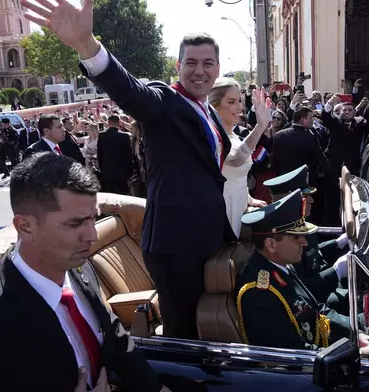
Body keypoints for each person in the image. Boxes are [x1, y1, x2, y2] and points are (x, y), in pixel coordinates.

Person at [21, 0, 234, 339]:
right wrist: (86, 45)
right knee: (184, 336)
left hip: (207, 237)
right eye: (191, 62)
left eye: (208, 63)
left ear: (218, 67)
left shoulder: (206, 111)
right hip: (175, 245)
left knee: (207, 325)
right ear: (178, 66)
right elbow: (131, 92)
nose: (199, 70)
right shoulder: (166, 101)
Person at [0, 153, 168, 392]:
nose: (93, 236)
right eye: (75, 224)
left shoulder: (77, 265)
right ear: (25, 227)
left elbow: (111, 331)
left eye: (93, 219)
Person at [236, 189, 362, 350]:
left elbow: (316, 312)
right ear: (271, 245)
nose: (304, 242)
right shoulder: (260, 292)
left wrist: (356, 332)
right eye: (296, 237)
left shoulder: (280, 265)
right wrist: (350, 351)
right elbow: (291, 354)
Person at [263, 165, 349, 311]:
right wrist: (336, 272)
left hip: (321, 281)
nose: (311, 201)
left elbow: (312, 252)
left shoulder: (301, 224)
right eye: (305, 197)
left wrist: (337, 244)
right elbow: (303, 288)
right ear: (288, 201)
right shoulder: (284, 237)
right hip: (316, 296)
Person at [209, 78, 270, 237]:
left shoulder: (234, 136)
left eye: (240, 101)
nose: (239, 107)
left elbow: (235, 176)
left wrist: (249, 199)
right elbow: (236, 160)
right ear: (214, 106)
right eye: (231, 102)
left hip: (239, 206)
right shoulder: (213, 136)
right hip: (223, 209)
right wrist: (260, 127)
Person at [96, 115, 133, 194]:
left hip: (107, 170)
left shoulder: (102, 135)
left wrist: (102, 169)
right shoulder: (124, 136)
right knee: (123, 194)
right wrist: (130, 171)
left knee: (111, 195)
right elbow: (128, 155)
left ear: (108, 122)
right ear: (119, 123)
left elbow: (100, 154)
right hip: (122, 171)